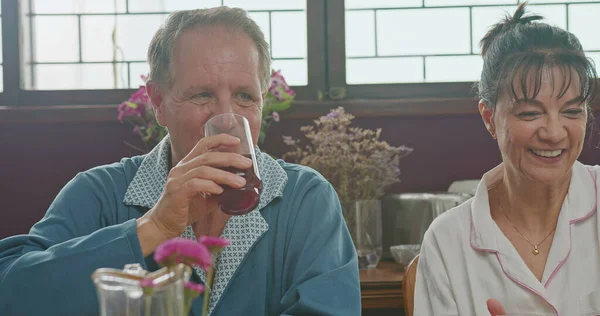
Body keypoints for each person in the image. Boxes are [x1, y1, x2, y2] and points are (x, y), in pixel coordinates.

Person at [0, 7, 361, 316]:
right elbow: (11, 293)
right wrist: (154, 226)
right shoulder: (100, 193)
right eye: (202, 94)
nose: (226, 117)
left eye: (245, 96)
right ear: (158, 101)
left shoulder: (305, 199)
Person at [414, 3, 599, 315]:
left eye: (571, 111)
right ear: (489, 117)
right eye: (530, 113)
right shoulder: (448, 241)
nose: (554, 133)